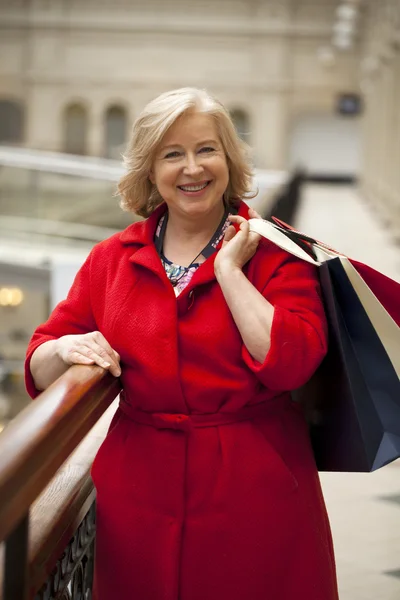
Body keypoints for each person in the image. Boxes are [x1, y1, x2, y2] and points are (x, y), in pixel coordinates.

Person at [25, 88, 339, 600]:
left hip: (253, 489)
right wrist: (65, 350)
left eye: (206, 149)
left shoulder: (279, 252)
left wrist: (231, 273)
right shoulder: (113, 257)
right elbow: (40, 358)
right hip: (137, 495)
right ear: (150, 171)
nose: (192, 168)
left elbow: (292, 364)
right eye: (172, 154)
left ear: (229, 159)